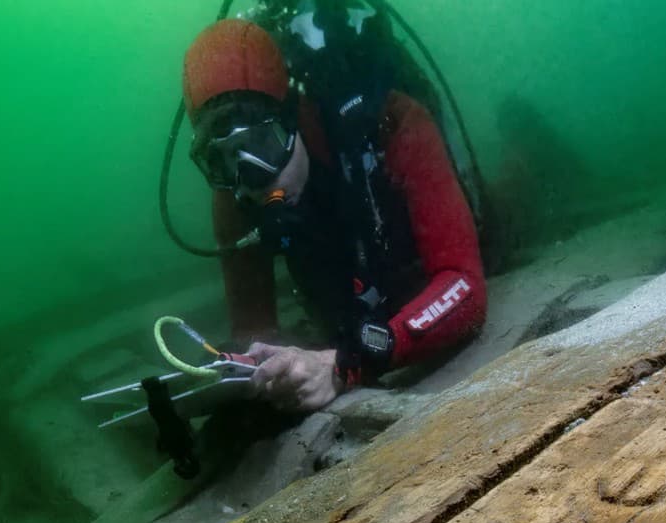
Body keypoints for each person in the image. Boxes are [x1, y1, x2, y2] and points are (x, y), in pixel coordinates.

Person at [181, 7, 487, 413]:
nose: (252, 179)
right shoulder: (234, 197)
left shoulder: (391, 122)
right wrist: (244, 368)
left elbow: (464, 287)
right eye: (221, 160)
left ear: (293, 114)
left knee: (500, 225)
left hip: (419, 271)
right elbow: (253, 328)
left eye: (264, 145)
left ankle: (529, 150)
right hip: (354, 304)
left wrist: (348, 364)